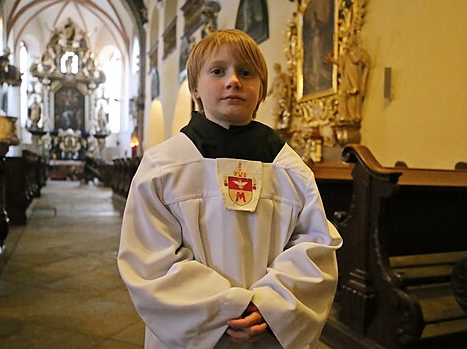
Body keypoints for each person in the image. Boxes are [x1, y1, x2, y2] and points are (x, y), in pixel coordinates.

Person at [118, 29, 342, 349]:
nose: (233, 81)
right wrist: (228, 307)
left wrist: (271, 305)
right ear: (195, 86)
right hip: (192, 335)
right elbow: (149, 257)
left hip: (266, 331)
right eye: (218, 71)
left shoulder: (290, 169)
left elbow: (314, 246)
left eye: (247, 72)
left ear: (261, 90)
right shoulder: (164, 165)